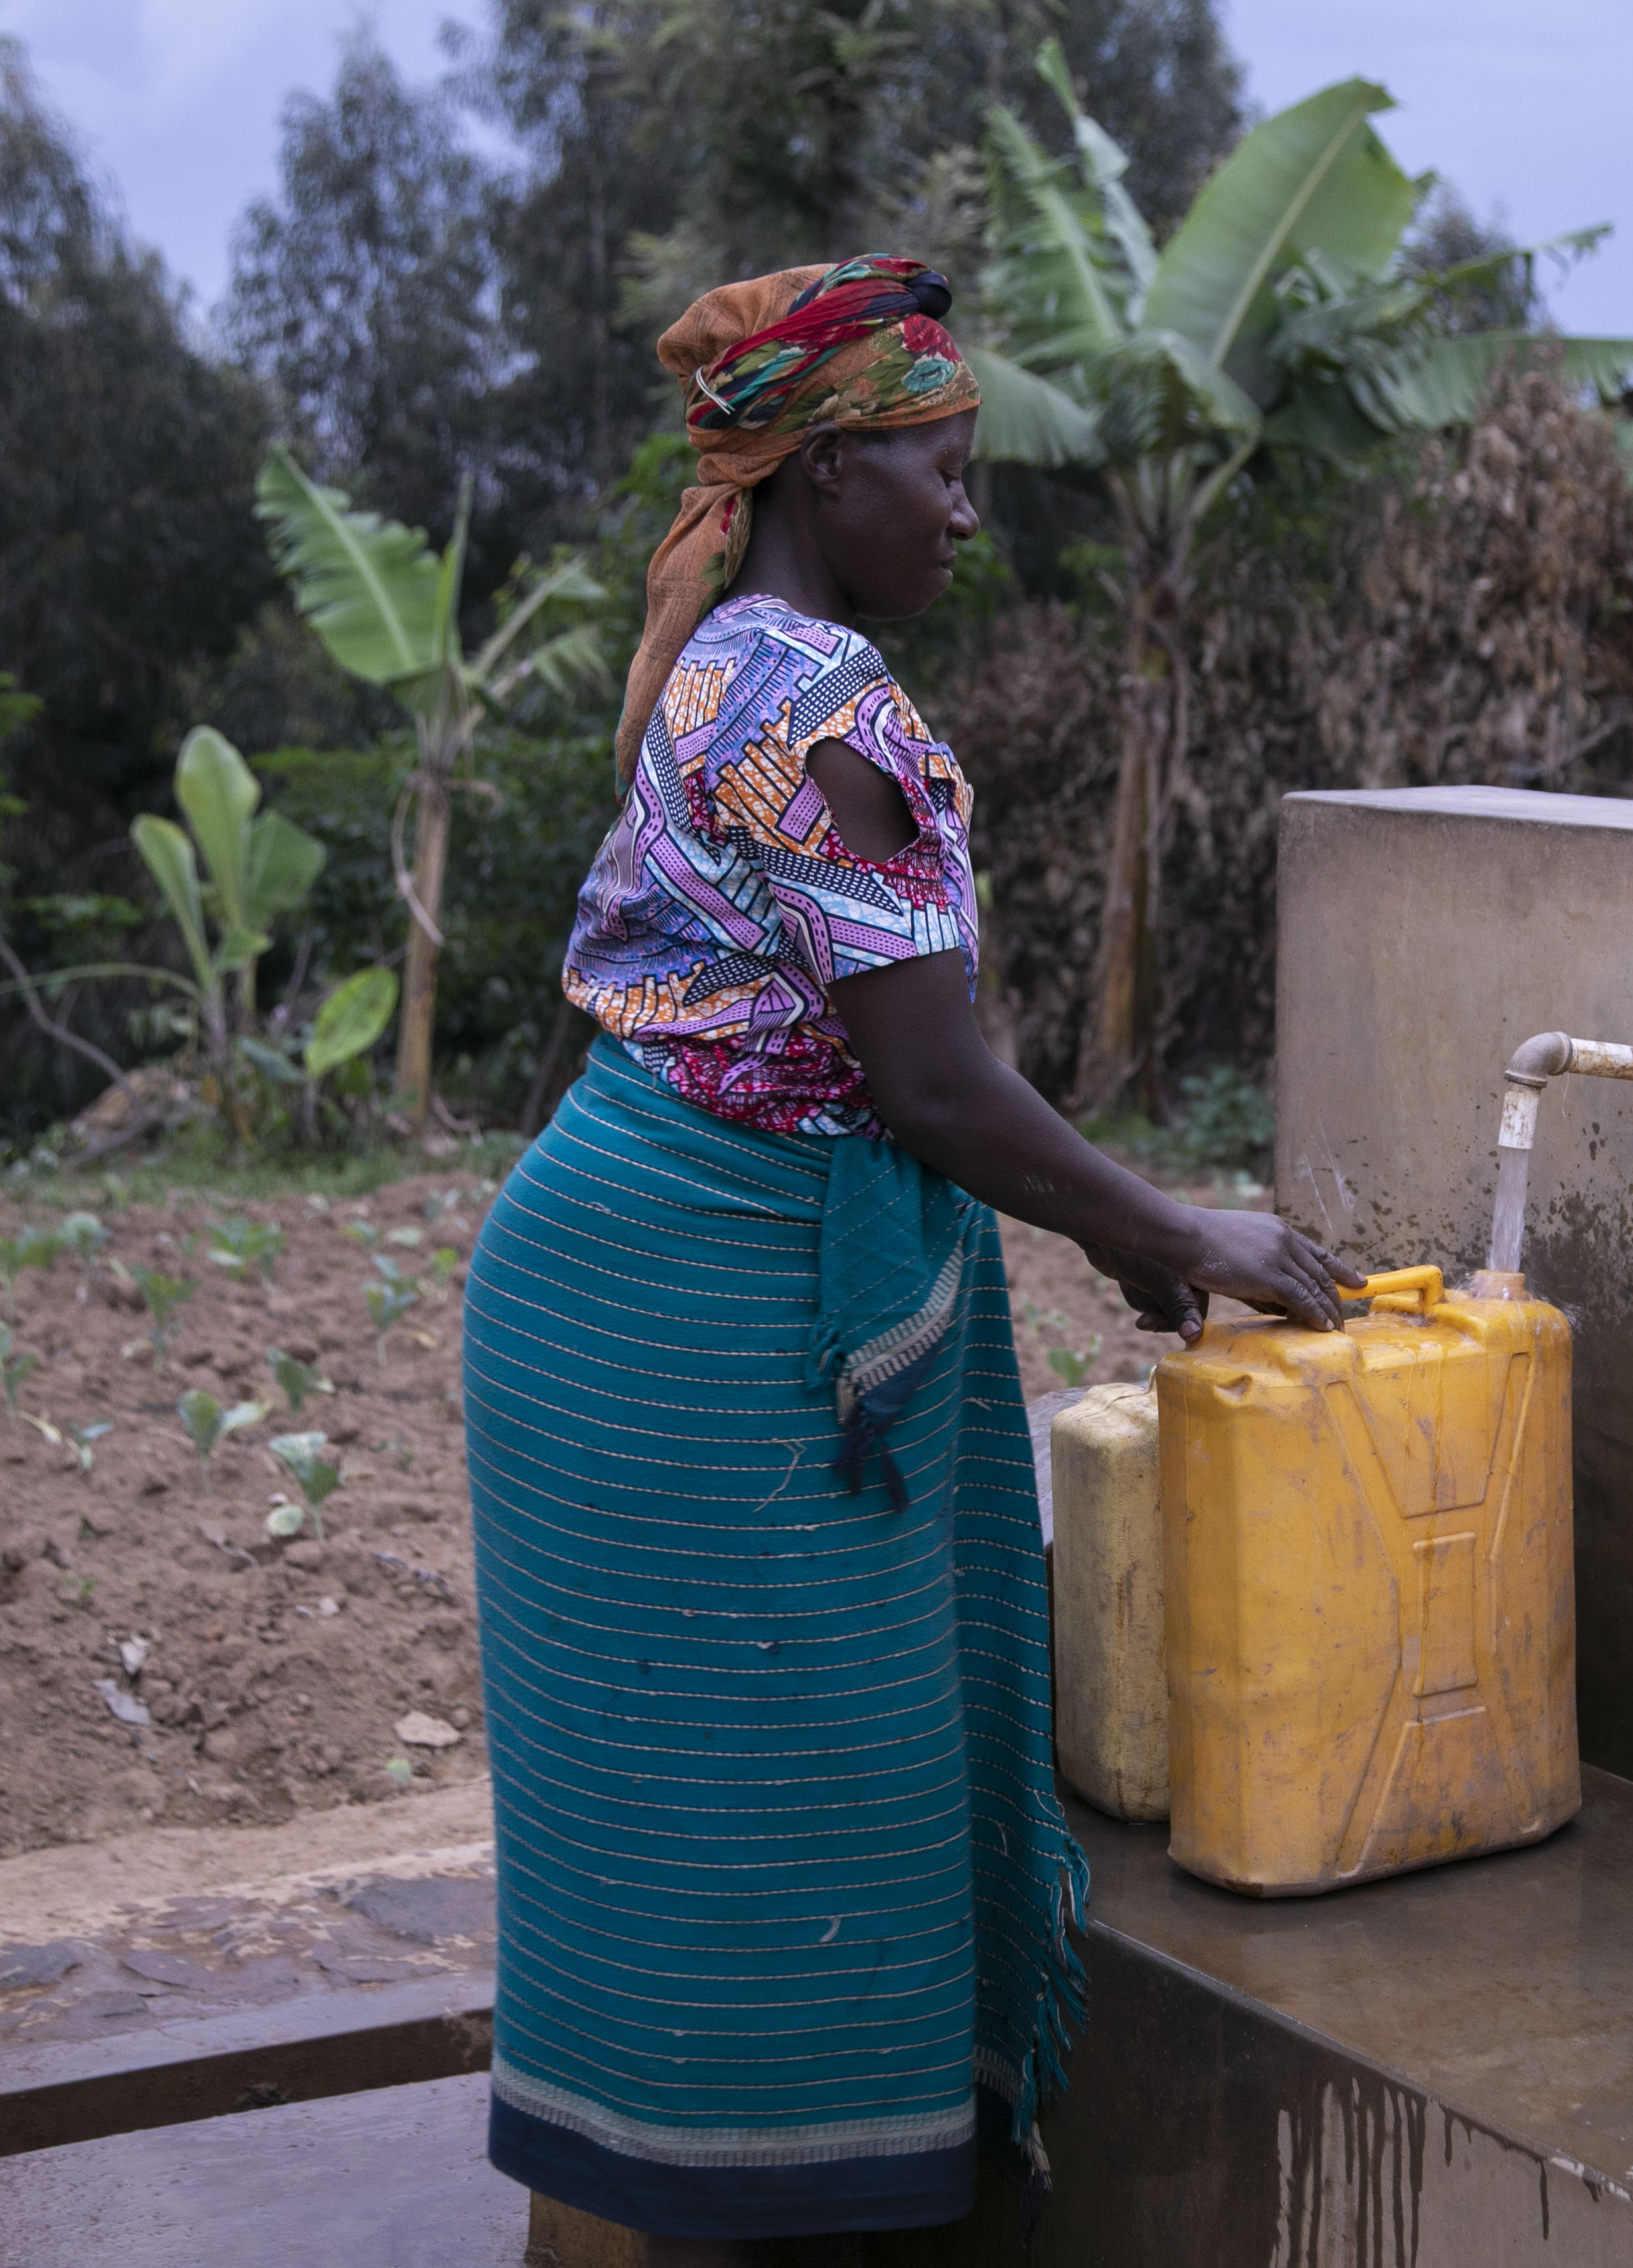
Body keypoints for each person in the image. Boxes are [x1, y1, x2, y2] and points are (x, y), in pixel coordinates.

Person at [459, 254, 1358, 2267]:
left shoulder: (719, 651)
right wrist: (1178, 1224)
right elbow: (938, 1089)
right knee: (763, 1839)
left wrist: (1116, 1235)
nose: (967, 512)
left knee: (661, 1865)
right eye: (943, 473)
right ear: (835, 465)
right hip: (695, 1323)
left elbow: (849, 1046)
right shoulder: (824, 706)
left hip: (622, 1267)